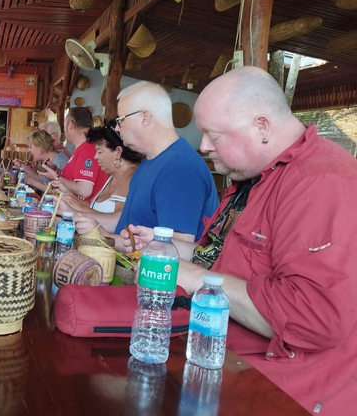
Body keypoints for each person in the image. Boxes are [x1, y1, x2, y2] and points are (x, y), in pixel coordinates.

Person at [124, 67, 357, 415]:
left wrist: (186, 274)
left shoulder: (322, 181)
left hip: (278, 393)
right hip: (215, 364)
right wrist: (167, 249)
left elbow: (314, 319)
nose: (202, 146)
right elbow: (220, 257)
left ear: (261, 126)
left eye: (213, 135)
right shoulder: (253, 176)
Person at [75, 82, 217, 248]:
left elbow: (177, 247)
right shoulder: (149, 162)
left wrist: (105, 238)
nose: (118, 129)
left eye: (121, 120)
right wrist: (81, 218)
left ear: (145, 118)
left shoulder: (179, 168)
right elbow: (126, 222)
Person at [62, 124, 141, 229]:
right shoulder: (113, 177)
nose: (95, 156)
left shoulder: (131, 179)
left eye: (99, 152)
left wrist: (78, 209)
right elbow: (91, 206)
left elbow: (120, 223)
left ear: (118, 151)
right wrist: (67, 194)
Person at [41, 107, 107, 200]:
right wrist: (57, 172)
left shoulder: (87, 149)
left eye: (64, 123)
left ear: (70, 125)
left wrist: (56, 177)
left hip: (83, 211)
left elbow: (84, 190)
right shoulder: (83, 147)